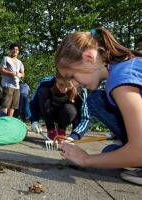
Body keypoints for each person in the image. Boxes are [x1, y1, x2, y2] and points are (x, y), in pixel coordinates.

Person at [55, 28, 142, 185]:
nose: (73, 84)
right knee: (110, 153)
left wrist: (86, 159)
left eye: (72, 76)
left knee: (114, 156)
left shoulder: (121, 79)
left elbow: (139, 151)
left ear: (89, 57)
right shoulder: (125, 65)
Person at [29, 72, 89, 142]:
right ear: (55, 78)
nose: (64, 90)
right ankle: (51, 129)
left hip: (66, 115)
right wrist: (34, 120)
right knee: (43, 91)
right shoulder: (46, 82)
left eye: (68, 86)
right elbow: (32, 103)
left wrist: (74, 136)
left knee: (70, 109)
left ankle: (61, 129)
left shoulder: (81, 90)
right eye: (61, 85)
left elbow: (85, 118)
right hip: (48, 112)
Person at [0, 43, 25, 117]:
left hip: (17, 86)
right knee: (5, 105)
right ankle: (2, 122)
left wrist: (19, 74)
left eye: (16, 49)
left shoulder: (20, 62)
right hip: (7, 85)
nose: (15, 50)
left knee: (13, 106)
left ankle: (8, 123)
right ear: (10, 50)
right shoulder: (6, 58)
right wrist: (11, 73)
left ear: (18, 51)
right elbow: (1, 70)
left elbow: (23, 74)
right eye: (13, 49)